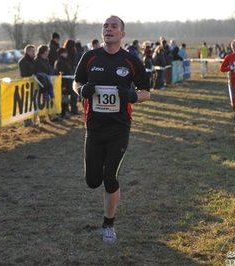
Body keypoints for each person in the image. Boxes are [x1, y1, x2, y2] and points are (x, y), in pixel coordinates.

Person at [73, 15, 151, 243]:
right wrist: (81, 90)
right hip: (94, 127)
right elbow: (75, 82)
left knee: (110, 177)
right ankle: (106, 197)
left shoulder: (131, 60)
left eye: (114, 26)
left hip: (119, 128)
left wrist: (133, 96)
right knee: (92, 181)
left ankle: (108, 224)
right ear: (102, 33)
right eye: (105, 26)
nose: (109, 29)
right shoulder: (89, 57)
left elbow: (147, 91)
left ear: (122, 34)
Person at [18, 44, 36, 127]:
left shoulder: (33, 60)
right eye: (32, 51)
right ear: (27, 51)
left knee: (31, 103)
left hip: (33, 84)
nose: (34, 53)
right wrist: (30, 76)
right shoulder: (23, 61)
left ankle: (31, 120)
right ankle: (27, 121)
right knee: (26, 103)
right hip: (26, 84)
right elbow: (23, 74)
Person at [54, 47, 74, 118]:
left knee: (66, 97)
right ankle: (63, 112)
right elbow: (61, 74)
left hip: (68, 81)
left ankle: (66, 111)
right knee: (63, 98)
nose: (67, 54)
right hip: (64, 82)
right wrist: (63, 85)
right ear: (61, 53)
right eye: (65, 52)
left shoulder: (65, 61)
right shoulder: (60, 62)